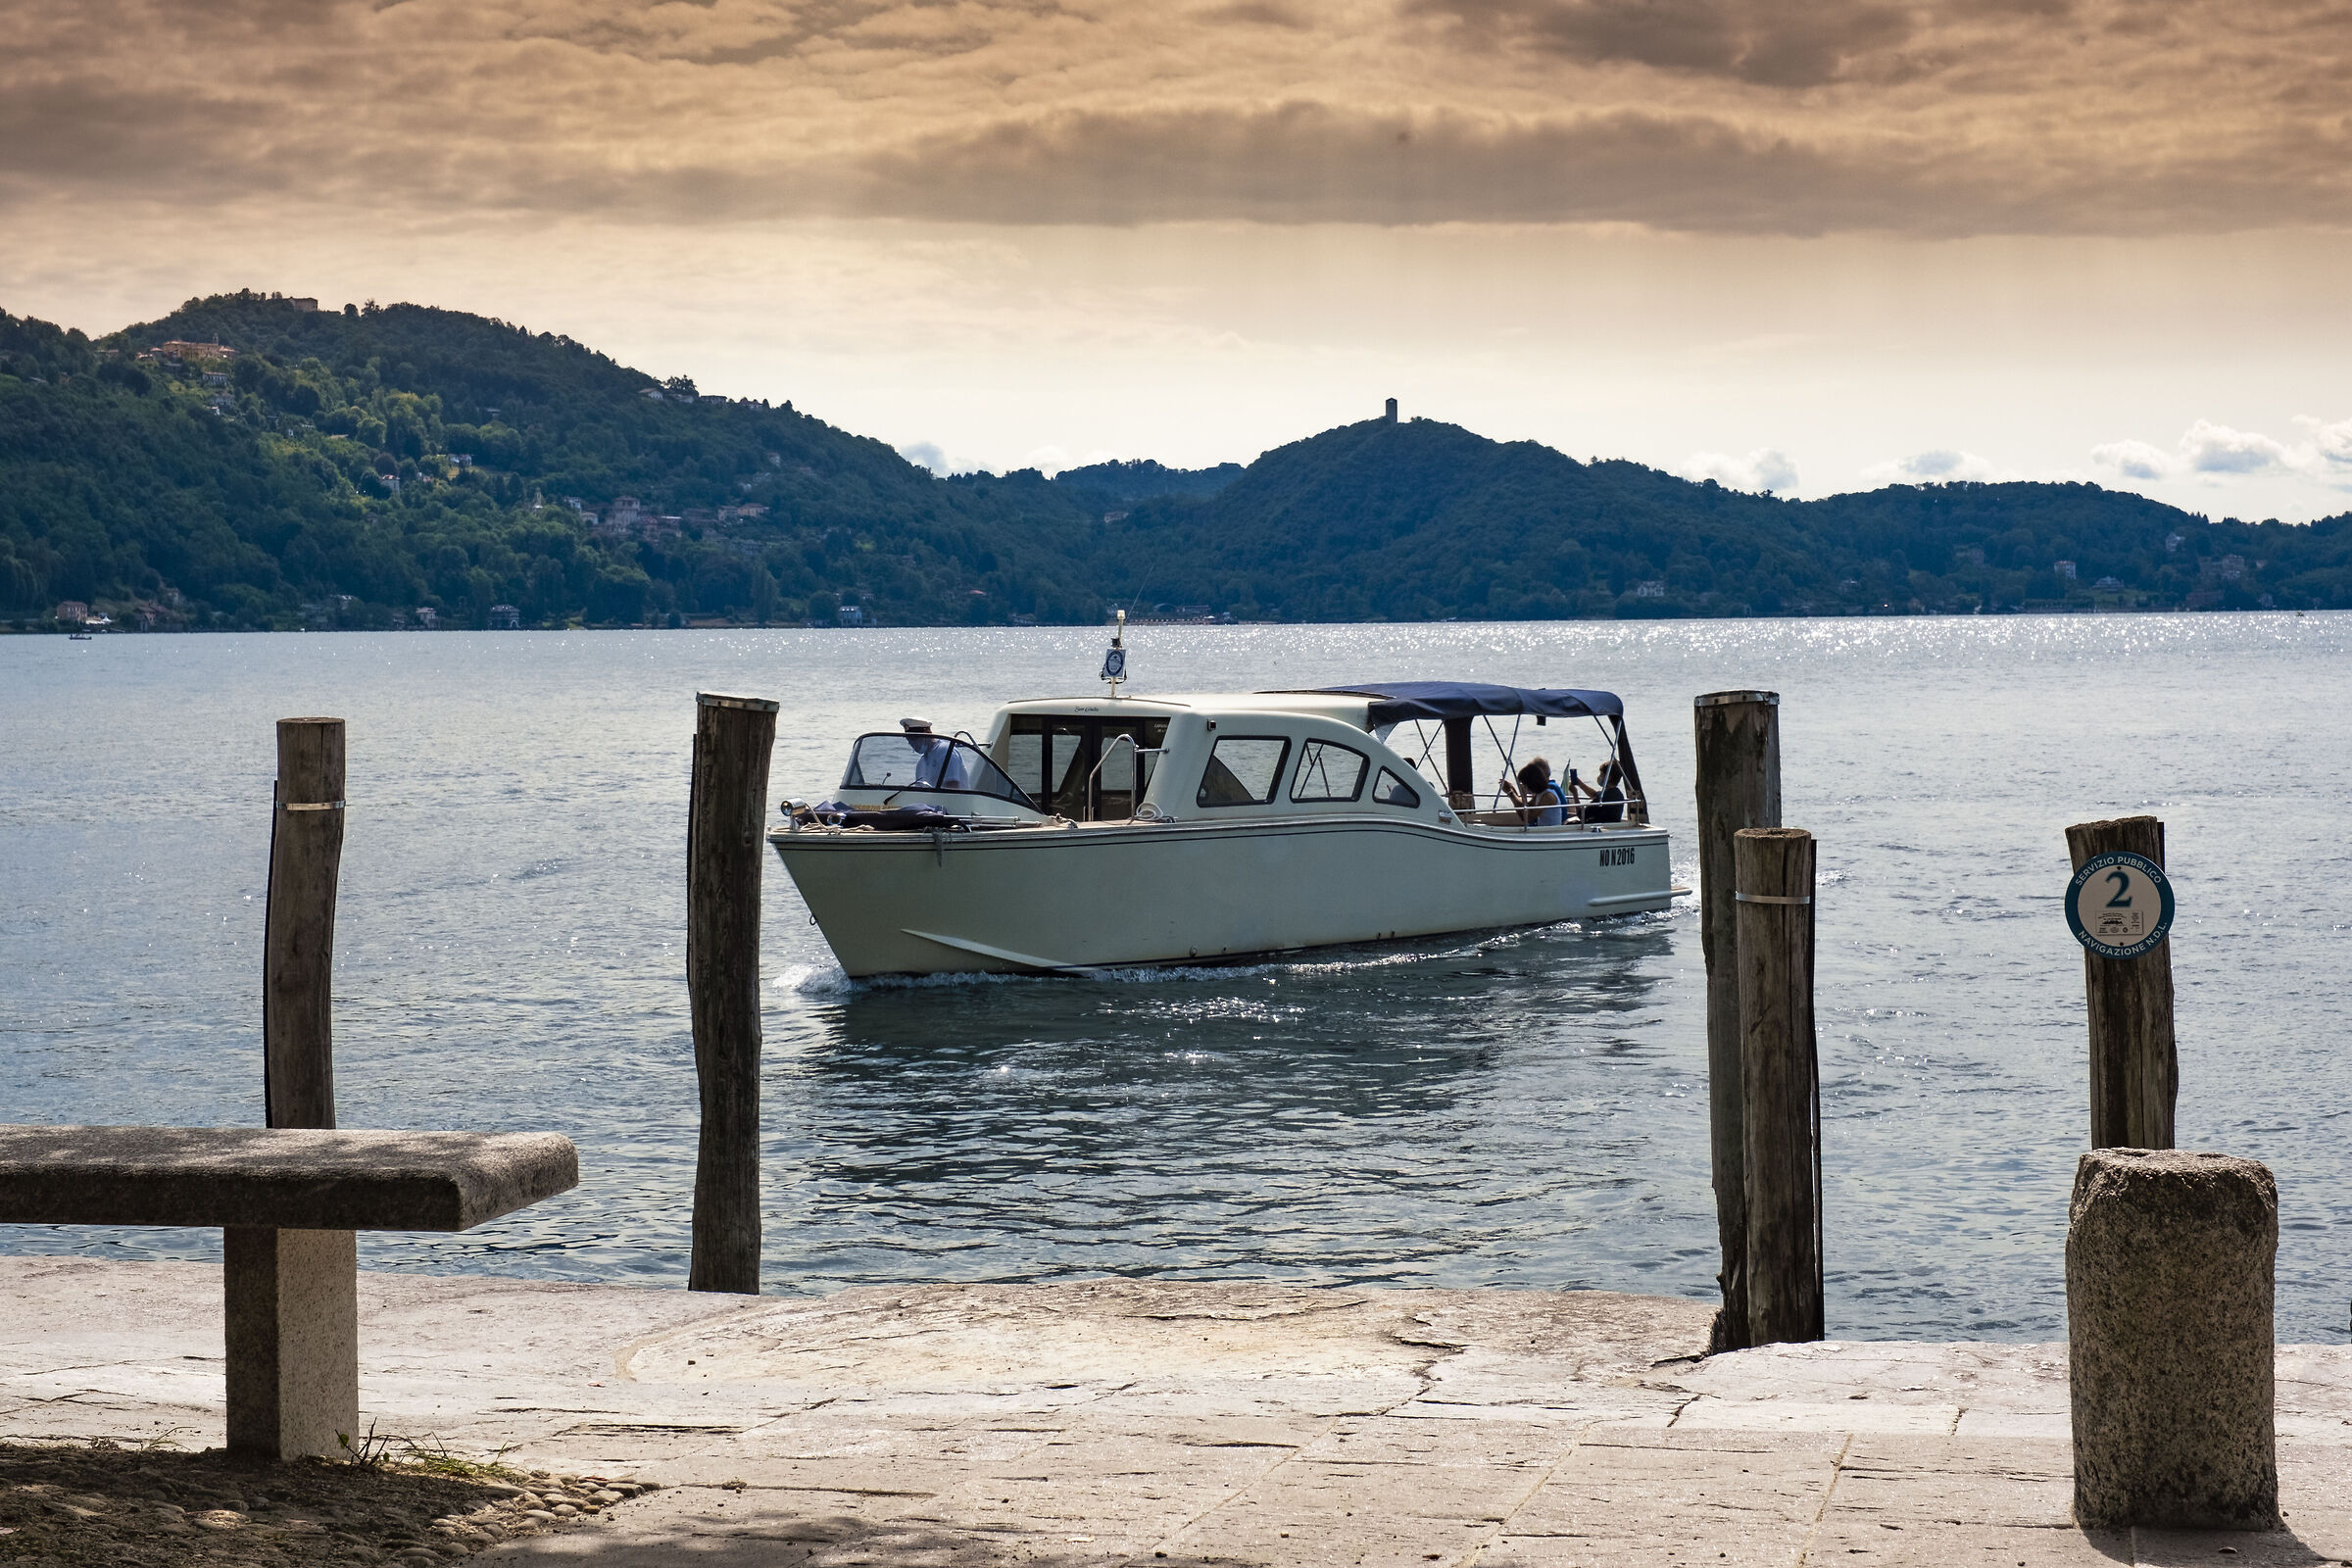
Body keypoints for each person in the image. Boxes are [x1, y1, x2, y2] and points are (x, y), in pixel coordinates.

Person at [1499, 758, 1569, 826]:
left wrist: (1511, 794)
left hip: (1549, 834)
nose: (1524, 787)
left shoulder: (1548, 796)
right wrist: (1513, 791)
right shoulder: (1541, 793)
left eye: (1524, 784)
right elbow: (1526, 808)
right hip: (1541, 832)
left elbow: (1527, 818)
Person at [1570, 759, 1628, 824]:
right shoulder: (1617, 794)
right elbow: (1594, 794)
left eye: (1601, 774)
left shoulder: (1603, 798)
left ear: (1609, 777)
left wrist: (1575, 794)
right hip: (1611, 826)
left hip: (1598, 827)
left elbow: (1582, 815)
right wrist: (1580, 784)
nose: (1599, 777)